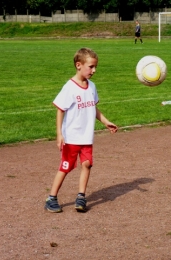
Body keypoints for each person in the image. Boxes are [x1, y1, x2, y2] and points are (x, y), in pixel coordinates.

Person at [45, 47, 118, 213]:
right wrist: (59, 134)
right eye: (91, 67)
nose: (94, 70)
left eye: (95, 67)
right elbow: (60, 110)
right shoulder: (69, 87)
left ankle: (81, 196)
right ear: (79, 65)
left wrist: (106, 122)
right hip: (71, 137)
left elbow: (93, 108)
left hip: (86, 137)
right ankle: (51, 197)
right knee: (66, 167)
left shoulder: (92, 86)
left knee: (87, 164)